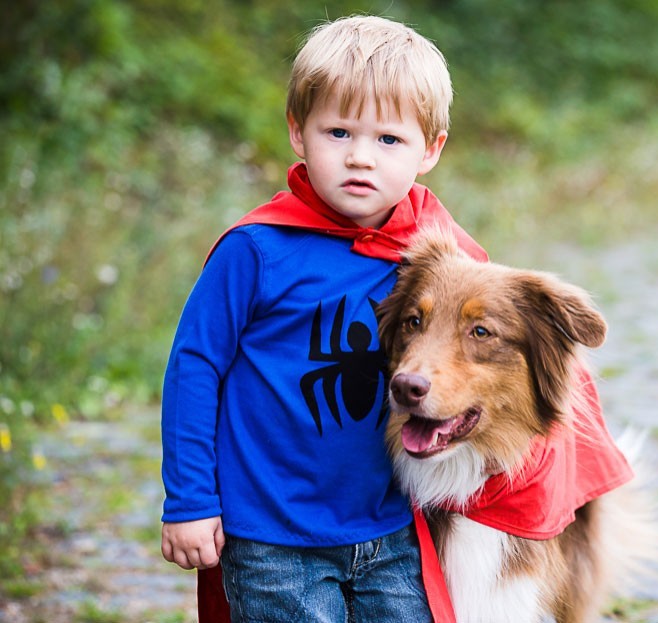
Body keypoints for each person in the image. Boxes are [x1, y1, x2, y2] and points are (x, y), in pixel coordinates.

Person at [160, 15, 485, 623]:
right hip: (273, 535)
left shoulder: (434, 255)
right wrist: (189, 501)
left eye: (389, 140)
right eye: (338, 131)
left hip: (393, 528)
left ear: (431, 150)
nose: (360, 157)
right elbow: (194, 368)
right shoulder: (256, 249)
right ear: (297, 132)